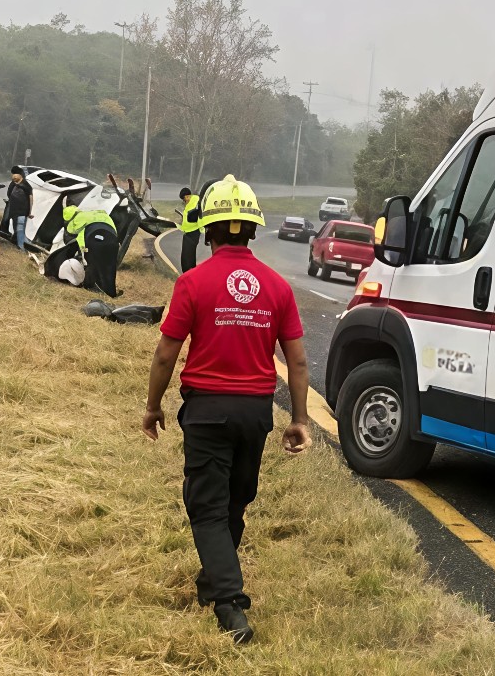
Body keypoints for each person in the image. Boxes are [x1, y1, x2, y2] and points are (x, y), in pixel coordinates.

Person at [142, 174, 312, 645]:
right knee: (235, 501)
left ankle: (229, 603)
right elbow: (297, 361)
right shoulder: (277, 287)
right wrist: (298, 419)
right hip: (255, 412)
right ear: (253, 229)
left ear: (207, 230)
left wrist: (153, 406)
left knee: (207, 506)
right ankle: (211, 582)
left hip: (207, 410)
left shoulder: (193, 282)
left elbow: (166, 353)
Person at [62, 205, 120, 297]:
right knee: (110, 265)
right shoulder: (98, 214)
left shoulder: (77, 219)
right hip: (112, 238)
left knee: (92, 262)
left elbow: (71, 233)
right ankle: (110, 293)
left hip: (94, 237)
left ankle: (91, 287)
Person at [5, 166, 33, 250]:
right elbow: (9, 194)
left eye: (15, 174)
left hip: (22, 212)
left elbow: (31, 198)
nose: (13, 176)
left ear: (21, 175)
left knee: (20, 229)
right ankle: (19, 244)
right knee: (16, 229)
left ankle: (21, 247)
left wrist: (30, 212)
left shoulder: (26, 185)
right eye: (13, 174)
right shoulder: (12, 184)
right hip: (14, 212)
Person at [178, 186, 201, 273]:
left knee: (187, 256)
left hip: (193, 232)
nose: (184, 201)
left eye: (184, 199)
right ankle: (191, 272)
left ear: (187, 196)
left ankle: (189, 272)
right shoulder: (192, 202)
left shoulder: (196, 202)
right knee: (189, 255)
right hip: (189, 232)